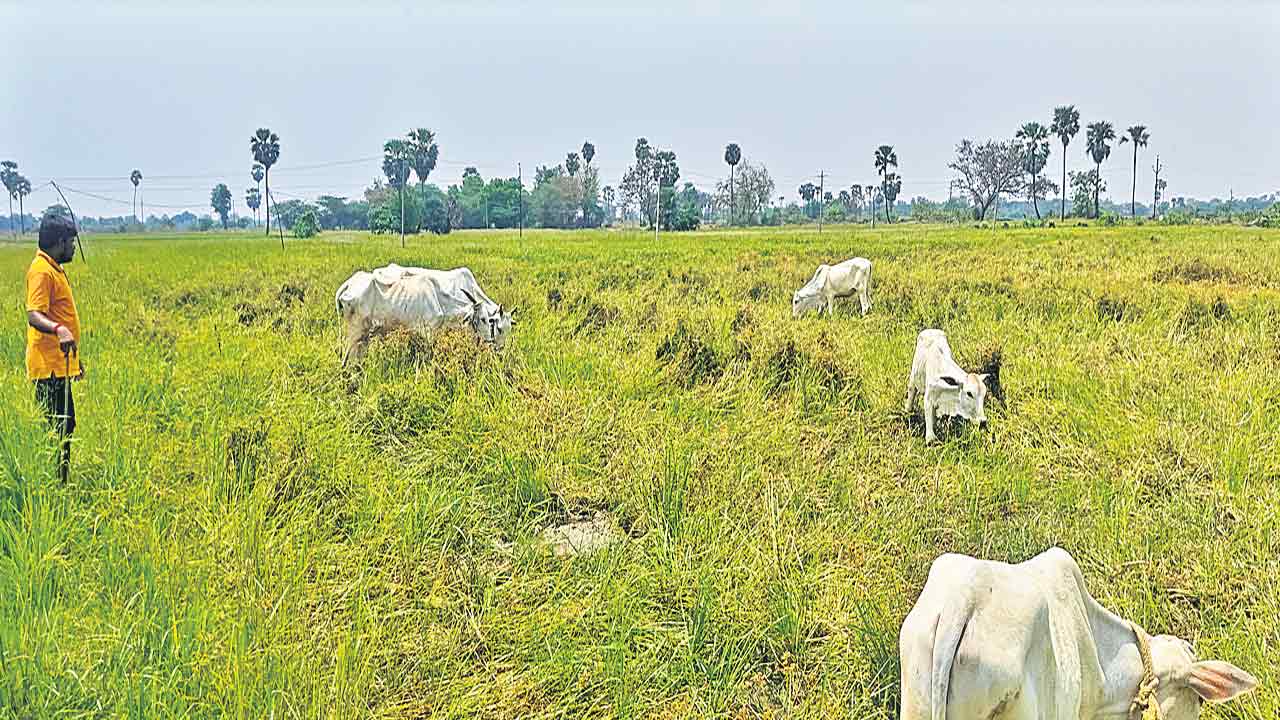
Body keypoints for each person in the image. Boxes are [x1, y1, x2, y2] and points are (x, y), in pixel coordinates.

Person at [25, 214, 82, 482]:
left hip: (59, 364)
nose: (72, 247)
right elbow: (34, 314)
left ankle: (61, 479)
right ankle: (56, 483)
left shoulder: (53, 268)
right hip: (47, 368)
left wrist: (74, 359)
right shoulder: (41, 271)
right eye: (71, 242)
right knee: (57, 428)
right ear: (59, 242)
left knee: (65, 424)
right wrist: (59, 330)